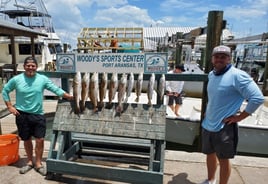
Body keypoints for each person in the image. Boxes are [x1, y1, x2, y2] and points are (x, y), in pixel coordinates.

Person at [201, 45, 264, 184]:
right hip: (208, 124)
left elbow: (257, 98)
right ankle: (210, 180)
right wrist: (208, 110)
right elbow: (214, 97)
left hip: (224, 126)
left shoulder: (237, 75)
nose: (219, 59)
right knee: (209, 154)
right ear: (212, 59)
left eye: (223, 57)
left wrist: (239, 117)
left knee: (224, 159)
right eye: (216, 56)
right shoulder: (212, 74)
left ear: (229, 59)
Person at [2, 56, 73, 176]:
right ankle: (30, 162)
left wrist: (69, 96)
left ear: (36, 67)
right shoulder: (17, 79)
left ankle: (39, 163)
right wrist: (9, 106)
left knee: (40, 140)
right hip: (21, 114)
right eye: (28, 65)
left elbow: (55, 89)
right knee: (27, 139)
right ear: (24, 67)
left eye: (33, 66)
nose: (30, 68)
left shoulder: (42, 79)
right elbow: (5, 91)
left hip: (38, 114)